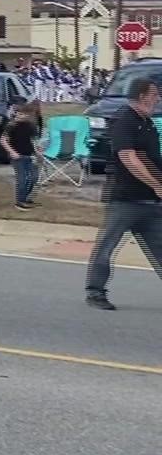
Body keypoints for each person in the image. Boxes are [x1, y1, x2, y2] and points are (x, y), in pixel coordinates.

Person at [85, 76, 162, 310]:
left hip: (150, 201)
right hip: (125, 199)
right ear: (142, 96)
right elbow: (128, 158)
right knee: (107, 247)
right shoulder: (124, 120)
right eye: (155, 94)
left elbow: (152, 159)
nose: (158, 98)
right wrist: (157, 185)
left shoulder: (146, 122)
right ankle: (95, 292)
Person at [1, 99, 43, 211]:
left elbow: (34, 140)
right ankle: (19, 201)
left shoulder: (31, 126)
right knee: (22, 178)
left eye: (23, 114)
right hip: (17, 156)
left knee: (34, 177)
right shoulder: (11, 126)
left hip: (30, 155)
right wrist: (12, 152)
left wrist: (38, 150)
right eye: (18, 113)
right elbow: (3, 140)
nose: (20, 116)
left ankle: (26, 198)